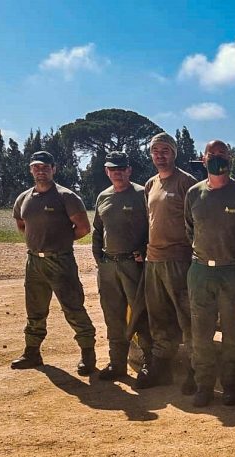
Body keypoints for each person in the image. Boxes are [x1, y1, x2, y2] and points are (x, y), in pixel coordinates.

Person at [10, 150, 97, 375]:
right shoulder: (24, 198)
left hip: (61, 261)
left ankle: (88, 353)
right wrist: (36, 243)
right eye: (36, 167)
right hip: (34, 263)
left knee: (73, 308)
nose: (41, 171)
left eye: (45, 167)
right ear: (31, 170)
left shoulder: (65, 196)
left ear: (53, 169)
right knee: (35, 310)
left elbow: (83, 228)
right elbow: (21, 224)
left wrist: (60, 242)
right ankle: (32, 352)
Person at [184, 140, 235, 407]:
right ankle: (204, 385)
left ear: (230, 158)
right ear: (203, 160)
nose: (217, 158)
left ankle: (230, 386)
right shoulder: (193, 193)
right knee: (200, 332)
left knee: (232, 333)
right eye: (211, 154)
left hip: (232, 273)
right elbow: (190, 229)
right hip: (201, 271)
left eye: (222, 154)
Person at [137, 132, 197, 393]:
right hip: (153, 260)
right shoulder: (150, 185)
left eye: (165, 150)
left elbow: (198, 223)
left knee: (187, 318)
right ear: (151, 155)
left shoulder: (187, 183)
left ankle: (197, 370)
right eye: (155, 150)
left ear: (174, 153)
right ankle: (162, 369)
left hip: (179, 260)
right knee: (158, 318)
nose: (160, 155)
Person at [92, 151, 152, 381]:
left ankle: (149, 364)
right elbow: (98, 229)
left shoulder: (141, 194)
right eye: (112, 168)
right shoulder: (103, 197)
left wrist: (144, 250)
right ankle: (117, 364)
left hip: (132, 265)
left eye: (121, 168)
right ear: (107, 172)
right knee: (113, 315)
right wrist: (99, 258)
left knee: (139, 314)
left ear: (129, 170)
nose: (116, 172)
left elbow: (153, 226)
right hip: (108, 266)